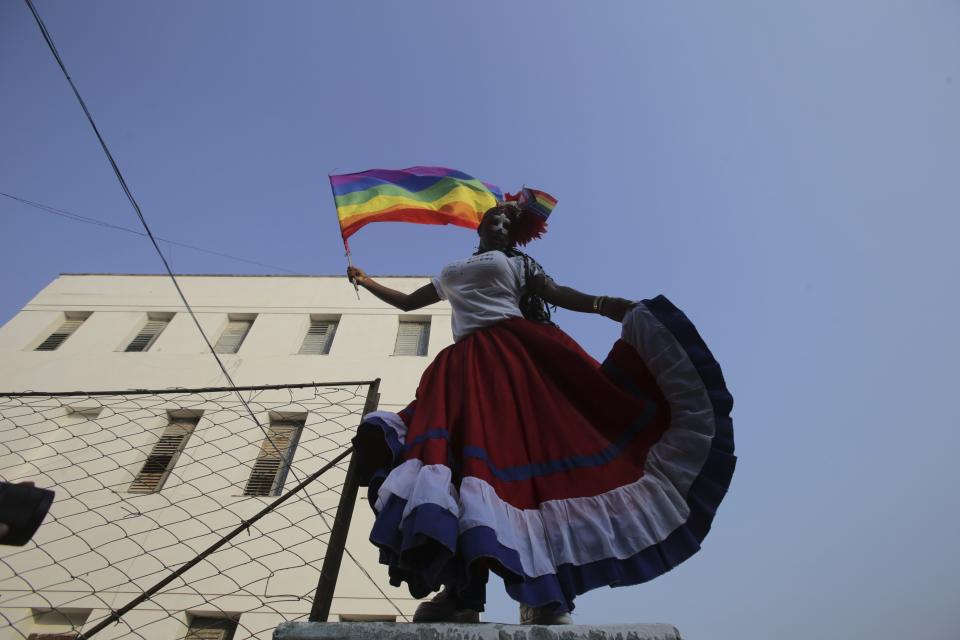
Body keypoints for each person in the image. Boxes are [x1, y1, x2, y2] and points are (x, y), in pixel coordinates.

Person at [346, 202, 735, 625]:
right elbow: (407, 304)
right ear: (479, 225)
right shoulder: (451, 270)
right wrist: (366, 281)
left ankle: (543, 594)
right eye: (494, 219)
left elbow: (558, 293)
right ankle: (461, 596)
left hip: (513, 360)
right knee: (457, 468)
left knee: (524, 472)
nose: (501, 225)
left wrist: (606, 304)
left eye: (508, 223)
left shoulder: (517, 265)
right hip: (461, 369)